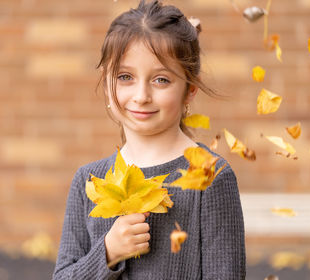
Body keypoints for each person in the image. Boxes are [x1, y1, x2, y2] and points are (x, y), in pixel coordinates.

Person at [53, 0, 246, 279]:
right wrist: (108, 252)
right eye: (125, 77)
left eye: (161, 80)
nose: (141, 96)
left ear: (190, 89)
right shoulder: (89, 180)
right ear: (108, 84)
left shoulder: (211, 177)